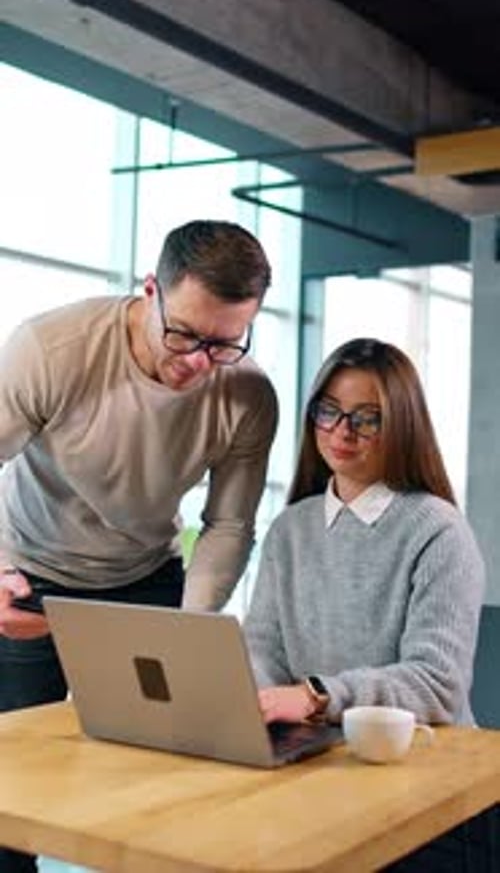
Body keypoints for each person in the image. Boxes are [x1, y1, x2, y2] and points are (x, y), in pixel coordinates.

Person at [0, 219, 277, 871]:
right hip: (32, 572)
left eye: (223, 344)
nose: (195, 361)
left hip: (147, 579)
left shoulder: (246, 393)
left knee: (158, 782)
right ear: (149, 289)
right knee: (14, 790)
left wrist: (190, 630)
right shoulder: (53, 347)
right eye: (182, 332)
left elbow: (229, 524)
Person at [244, 337, 484, 729]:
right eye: (329, 411)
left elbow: (437, 684)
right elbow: (262, 653)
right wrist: (259, 706)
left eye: (366, 419)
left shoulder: (439, 532)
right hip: (321, 750)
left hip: (424, 756)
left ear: (402, 426)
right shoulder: (289, 529)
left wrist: (316, 697)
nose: (341, 432)